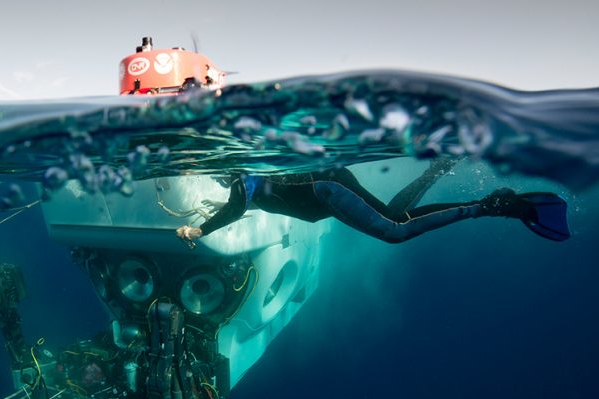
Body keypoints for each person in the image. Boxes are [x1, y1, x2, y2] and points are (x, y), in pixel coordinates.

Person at [176, 159, 571, 245]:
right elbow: (249, 201)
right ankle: (437, 170)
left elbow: (236, 205)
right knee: (395, 216)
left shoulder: (243, 177)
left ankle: (488, 206)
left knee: (393, 231)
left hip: (327, 188)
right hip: (328, 188)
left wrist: (199, 229)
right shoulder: (244, 184)